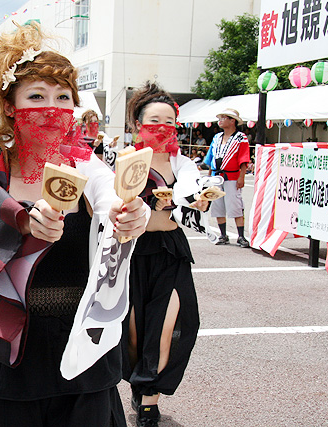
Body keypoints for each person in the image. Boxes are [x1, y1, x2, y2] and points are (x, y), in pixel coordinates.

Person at [0, 22, 149, 427]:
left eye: (62, 97)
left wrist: (128, 216)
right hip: (11, 354)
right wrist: (28, 222)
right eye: (36, 96)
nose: (52, 107)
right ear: (9, 106)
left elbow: (110, 199)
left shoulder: (87, 167)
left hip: (82, 349)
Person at [122, 82, 206, 427]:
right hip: (132, 252)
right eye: (154, 121)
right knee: (133, 331)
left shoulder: (182, 163)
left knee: (170, 325)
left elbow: (190, 190)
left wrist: (196, 200)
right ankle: (138, 381)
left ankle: (149, 400)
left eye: (169, 122)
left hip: (170, 251)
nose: (162, 128)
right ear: (138, 124)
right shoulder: (127, 160)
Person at [203, 108, 251, 247]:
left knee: (235, 205)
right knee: (217, 206)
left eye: (224, 118)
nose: (220, 121)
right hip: (216, 175)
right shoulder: (217, 137)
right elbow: (211, 158)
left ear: (232, 121)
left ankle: (241, 236)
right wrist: (209, 177)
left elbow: (243, 159)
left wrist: (241, 177)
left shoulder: (241, 137)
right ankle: (223, 235)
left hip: (232, 176)